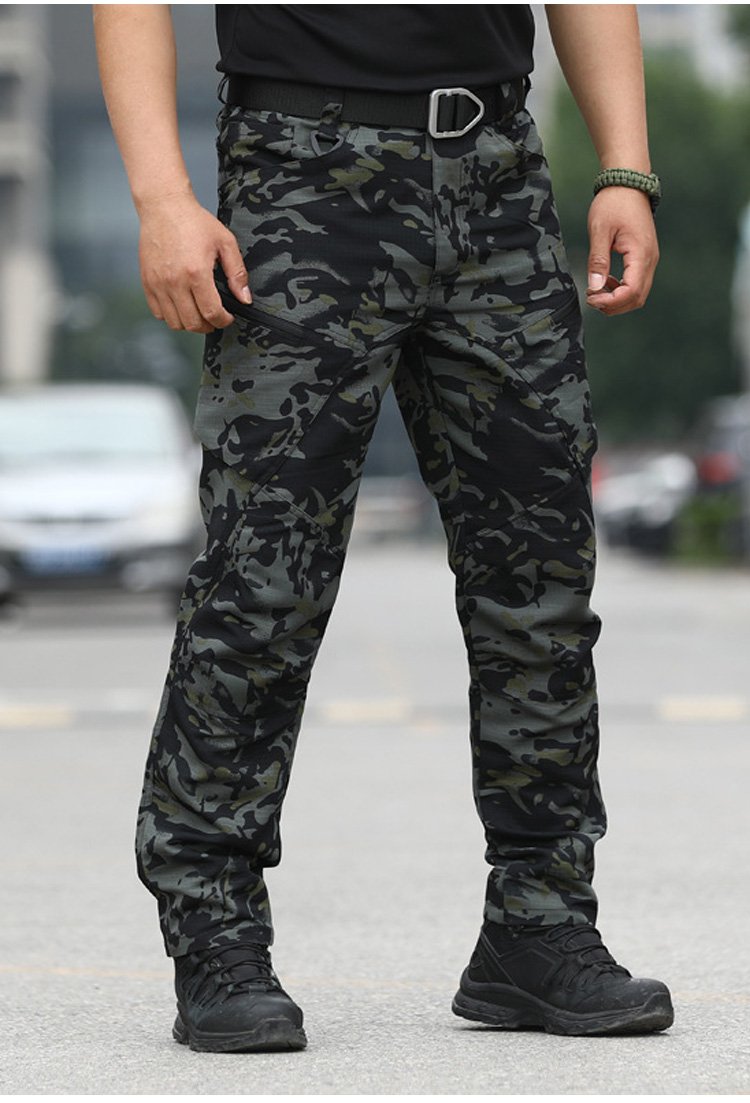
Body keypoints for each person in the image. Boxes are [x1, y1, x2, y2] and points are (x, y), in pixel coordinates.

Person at [94, 3, 671, 1052]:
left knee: (540, 578)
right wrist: (163, 198)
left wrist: (625, 168)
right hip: (299, 176)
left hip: (497, 174)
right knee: (264, 581)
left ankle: (538, 922)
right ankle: (215, 928)